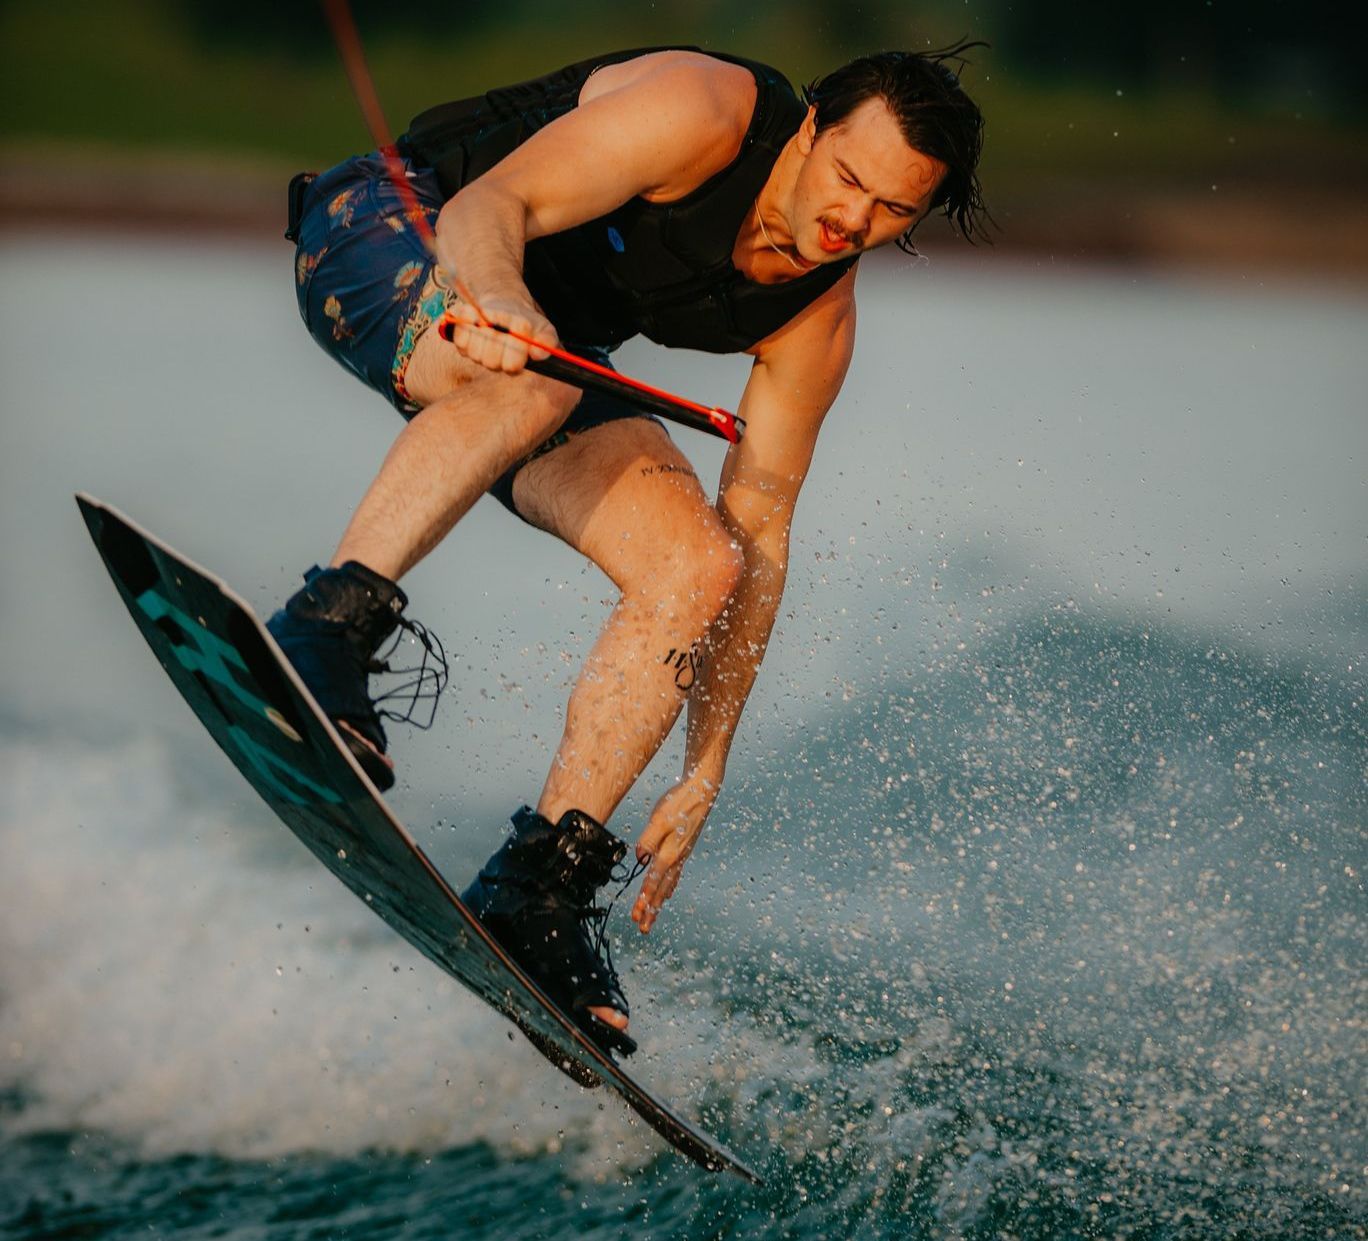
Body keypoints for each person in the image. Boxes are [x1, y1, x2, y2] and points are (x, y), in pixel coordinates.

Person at [271, 44, 986, 1065]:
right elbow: (491, 205)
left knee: (701, 563)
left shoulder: (815, 321)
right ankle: (324, 628)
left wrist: (705, 766)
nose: (851, 221)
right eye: (846, 177)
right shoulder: (704, 116)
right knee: (543, 383)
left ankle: (540, 884)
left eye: (890, 214)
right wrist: (501, 296)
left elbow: (763, 538)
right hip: (386, 232)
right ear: (812, 124)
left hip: (538, 355)